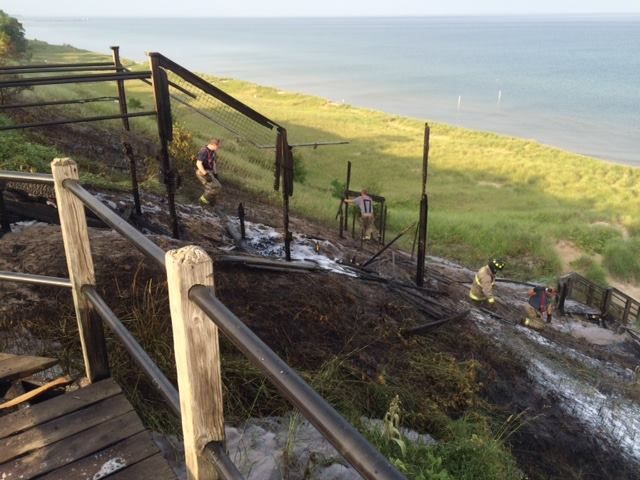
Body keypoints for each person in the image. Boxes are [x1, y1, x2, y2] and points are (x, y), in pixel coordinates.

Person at [195, 138, 222, 206]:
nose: (219, 148)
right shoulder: (204, 151)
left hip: (209, 172)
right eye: (218, 146)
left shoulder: (213, 152)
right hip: (202, 171)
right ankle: (201, 203)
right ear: (214, 145)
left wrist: (215, 174)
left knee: (217, 187)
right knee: (214, 188)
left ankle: (210, 204)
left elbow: (213, 163)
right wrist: (205, 174)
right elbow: (198, 163)